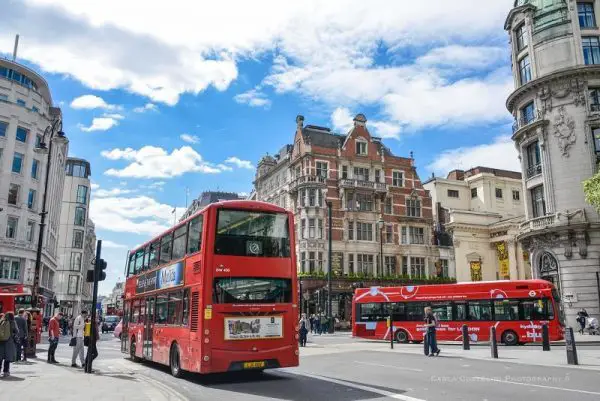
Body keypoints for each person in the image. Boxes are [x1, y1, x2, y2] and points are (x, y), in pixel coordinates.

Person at [0, 312, 19, 377]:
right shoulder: (13, 322)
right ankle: (6, 372)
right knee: (7, 358)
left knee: (0, 358)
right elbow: (17, 331)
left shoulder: (1, 321)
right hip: (9, 342)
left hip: (1, 342)